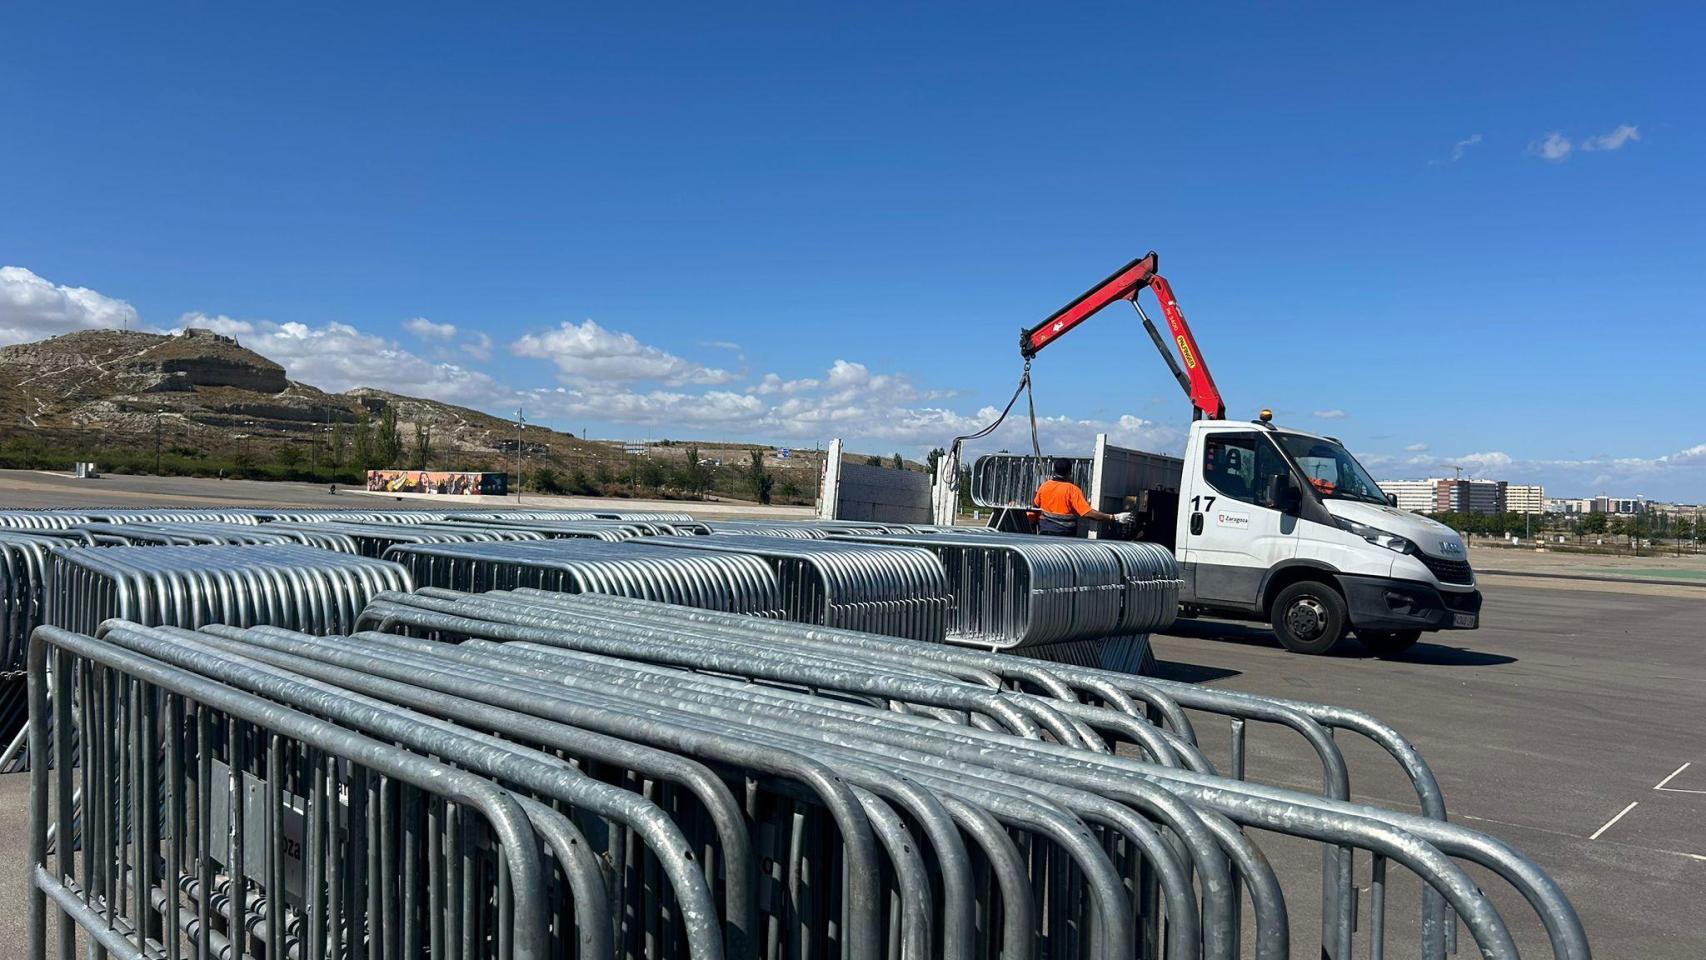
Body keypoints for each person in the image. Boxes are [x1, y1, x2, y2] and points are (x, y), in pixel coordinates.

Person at [1032, 458, 1132, 536]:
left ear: (1055, 470)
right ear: (1070, 472)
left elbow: (1035, 506)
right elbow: (1087, 513)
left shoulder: (1044, 486)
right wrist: (1113, 517)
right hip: (1063, 535)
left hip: (1044, 533)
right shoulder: (1072, 490)